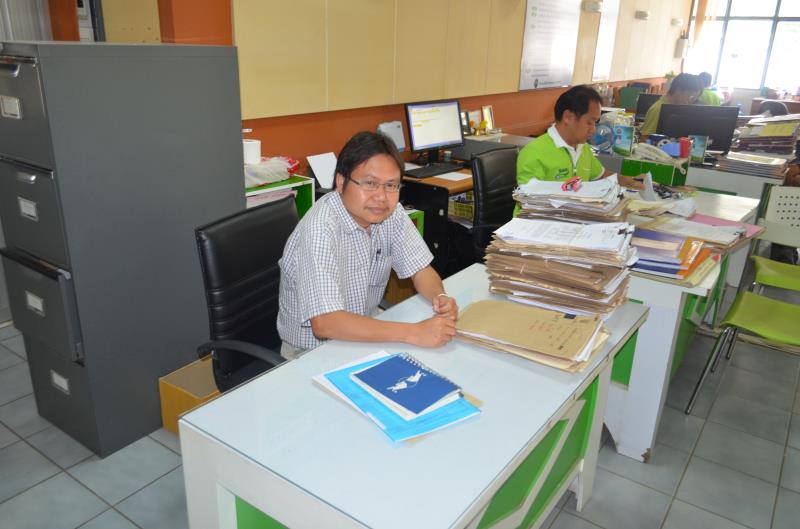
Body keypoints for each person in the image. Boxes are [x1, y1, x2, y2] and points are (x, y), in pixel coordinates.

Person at [277, 131, 458, 359]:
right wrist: (413, 333)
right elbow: (325, 323)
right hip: (312, 353)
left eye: (391, 185)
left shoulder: (390, 214)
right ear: (341, 182)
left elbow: (420, 269)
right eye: (370, 183)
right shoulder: (320, 229)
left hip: (365, 334)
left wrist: (439, 297)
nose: (381, 196)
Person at [515, 85, 643, 209]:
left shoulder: (582, 148)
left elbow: (602, 174)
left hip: (575, 216)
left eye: (595, 123)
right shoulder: (534, 152)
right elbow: (527, 200)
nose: (593, 129)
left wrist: (630, 181)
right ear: (568, 117)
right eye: (589, 122)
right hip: (540, 220)